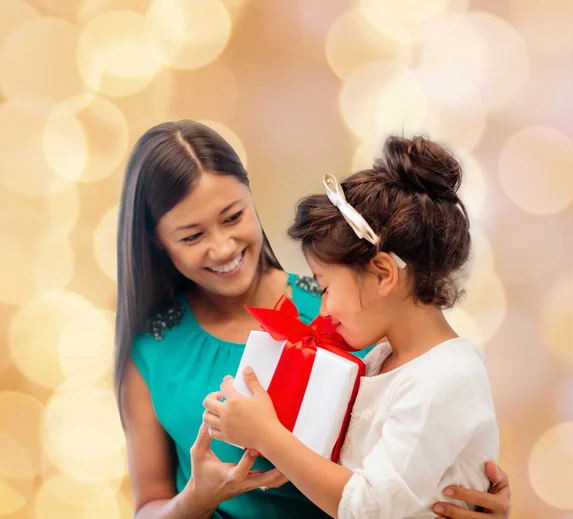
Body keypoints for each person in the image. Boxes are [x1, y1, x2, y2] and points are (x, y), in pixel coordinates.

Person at [115, 120, 512, 519]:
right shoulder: (152, 350)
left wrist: (471, 487)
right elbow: (149, 503)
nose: (222, 248)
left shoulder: (355, 317)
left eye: (233, 217)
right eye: (191, 237)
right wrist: (198, 497)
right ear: (157, 241)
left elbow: (413, 457)